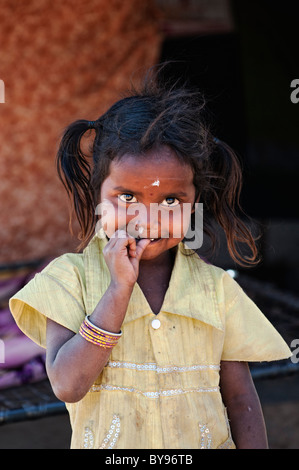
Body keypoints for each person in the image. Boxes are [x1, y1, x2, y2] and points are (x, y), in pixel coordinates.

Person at [9, 72, 291, 449]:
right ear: (98, 193)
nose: (147, 218)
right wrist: (118, 290)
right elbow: (67, 385)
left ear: (195, 204)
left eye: (171, 201)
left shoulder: (215, 288)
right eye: (127, 197)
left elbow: (240, 399)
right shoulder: (68, 280)